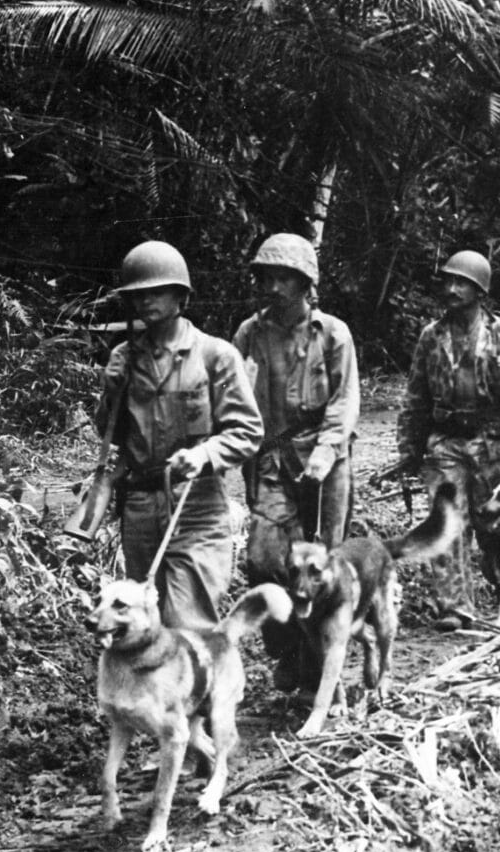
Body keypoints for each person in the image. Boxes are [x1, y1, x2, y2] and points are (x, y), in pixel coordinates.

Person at [97, 240, 264, 630]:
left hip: (197, 503)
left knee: (188, 620)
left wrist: (204, 455)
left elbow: (246, 430)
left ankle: (199, 691)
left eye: (156, 291)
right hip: (139, 503)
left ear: (179, 296)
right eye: (137, 294)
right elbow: (110, 433)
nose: (145, 301)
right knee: (144, 623)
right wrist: (110, 390)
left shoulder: (215, 355)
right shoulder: (124, 357)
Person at [397, 251, 500, 616]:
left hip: (491, 442)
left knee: (490, 524)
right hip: (445, 443)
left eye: (461, 282)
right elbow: (415, 395)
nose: (452, 289)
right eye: (448, 281)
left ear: (480, 290)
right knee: (447, 520)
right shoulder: (432, 336)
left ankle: (496, 572)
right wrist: (409, 448)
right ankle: (455, 606)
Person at [234, 233, 360, 588]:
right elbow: (233, 400)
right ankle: (285, 641)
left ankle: (322, 640)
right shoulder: (249, 335)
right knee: (263, 559)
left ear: (306, 283)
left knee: (325, 562)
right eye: (267, 277)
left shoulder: (333, 335)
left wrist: (325, 453)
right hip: (272, 462)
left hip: (326, 463)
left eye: (284, 277)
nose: (274, 287)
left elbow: (345, 401)